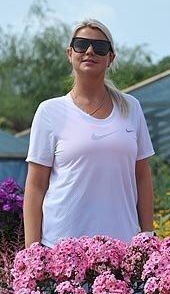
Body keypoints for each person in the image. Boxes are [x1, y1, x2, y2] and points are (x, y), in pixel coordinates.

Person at [23, 19, 154, 248]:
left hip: (122, 247)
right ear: (69, 53)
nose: (90, 51)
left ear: (111, 57)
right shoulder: (49, 111)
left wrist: (147, 238)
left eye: (100, 47)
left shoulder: (132, 108)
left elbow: (142, 177)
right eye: (81, 44)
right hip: (62, 250)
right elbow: (35, 186)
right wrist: (32, 253)